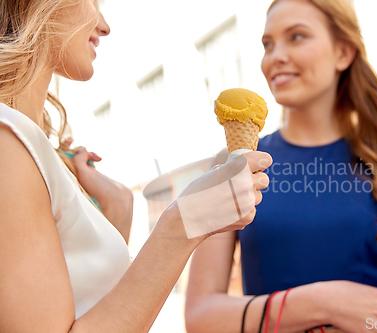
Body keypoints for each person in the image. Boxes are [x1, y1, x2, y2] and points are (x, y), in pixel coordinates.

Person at [0, 0, 271, 332]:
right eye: (92, 2)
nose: (104, 26)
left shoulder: (32, 148)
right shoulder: (6, 138)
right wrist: (182, 224)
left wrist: (117, 211)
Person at [184, 0, 377, 332]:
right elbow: (199, 317)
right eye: (267, 44)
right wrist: (322, 303)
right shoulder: (234, 165)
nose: (274, 56)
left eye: (296, 37)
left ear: (343, 52)